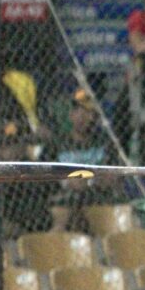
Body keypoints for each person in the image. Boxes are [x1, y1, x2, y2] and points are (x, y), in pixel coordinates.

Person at [41, 89, 117, 231]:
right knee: (64, 208)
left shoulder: (104, 143)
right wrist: (65, 182)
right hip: (66, 198)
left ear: (95, 117)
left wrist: (89, 181)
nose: (82, 117)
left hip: (97, 196)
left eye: (87, 112)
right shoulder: (56, 144)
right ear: (70, 115)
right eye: (77, 111)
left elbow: (112, 177)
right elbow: (44, 176)